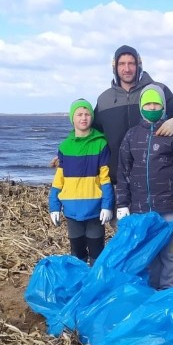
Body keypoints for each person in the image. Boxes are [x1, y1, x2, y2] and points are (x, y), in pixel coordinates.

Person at [92, 44, 173, 283]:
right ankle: (145, 288)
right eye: (122, 64)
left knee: (168, 243)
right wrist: (66, 157)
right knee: (136, 243)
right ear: (115, 67)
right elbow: (94, 134)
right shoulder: (105, 99)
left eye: (131, 63)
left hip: (161, 185)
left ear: (139, 64)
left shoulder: (157, 90)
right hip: (124, 182)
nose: (127, 69)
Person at [115, 84, 173, 289]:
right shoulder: (131, 136)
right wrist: (122, 204)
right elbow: (123, 172)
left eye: (156, 103)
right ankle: (149, 294)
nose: (153, 107)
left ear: (163, 106)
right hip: (140, 209)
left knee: (170, 255)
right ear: (141, 106)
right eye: (148, 103)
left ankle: (167, 293)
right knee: (147, 254)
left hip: (168, 209)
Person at [48, 99, 114, 263]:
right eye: (79, 114)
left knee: (97, 254)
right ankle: (80, 285)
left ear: (91, 117)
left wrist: (107, 205)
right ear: (72, 118)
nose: (83, 118)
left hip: (95, 210)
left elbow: (105, 179)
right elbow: (58, 180)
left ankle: (96, 286)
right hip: (71, 211)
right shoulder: (64, 147)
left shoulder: (101, 144)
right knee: (77, 254)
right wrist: (54, 206)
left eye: (87, 114)